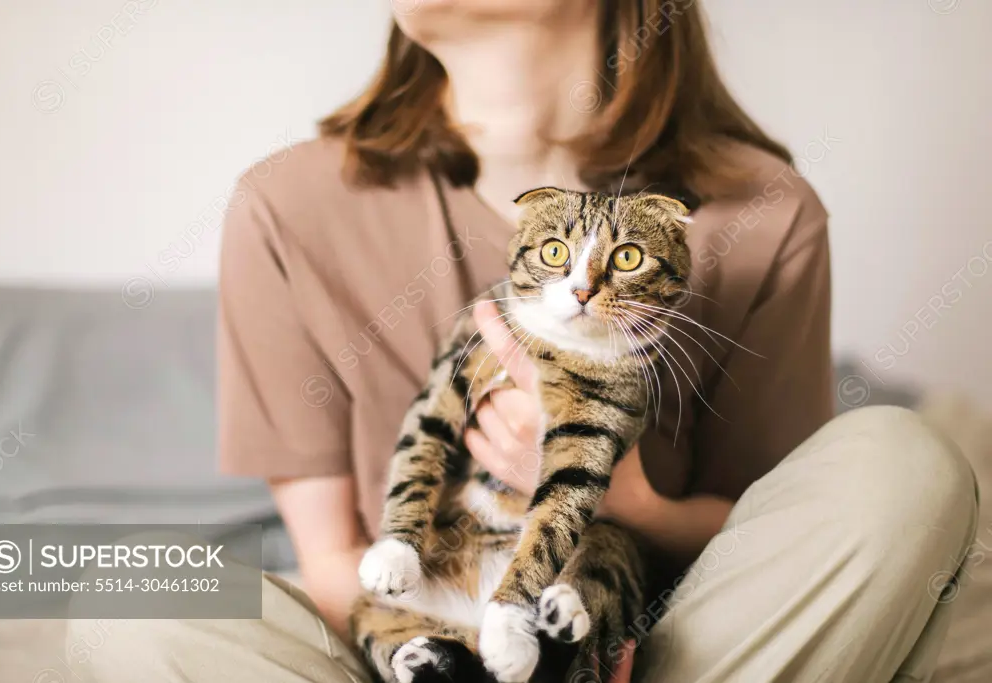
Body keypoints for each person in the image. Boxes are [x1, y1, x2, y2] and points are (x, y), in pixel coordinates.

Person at [68, 2, 978, 682]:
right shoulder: (285, 206)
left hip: (657, 644)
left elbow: (775, 531)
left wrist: (626, 502)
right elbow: (338, 568)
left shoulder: (764, 212)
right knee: (132, 587)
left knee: (900, 462)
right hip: (419, 638)